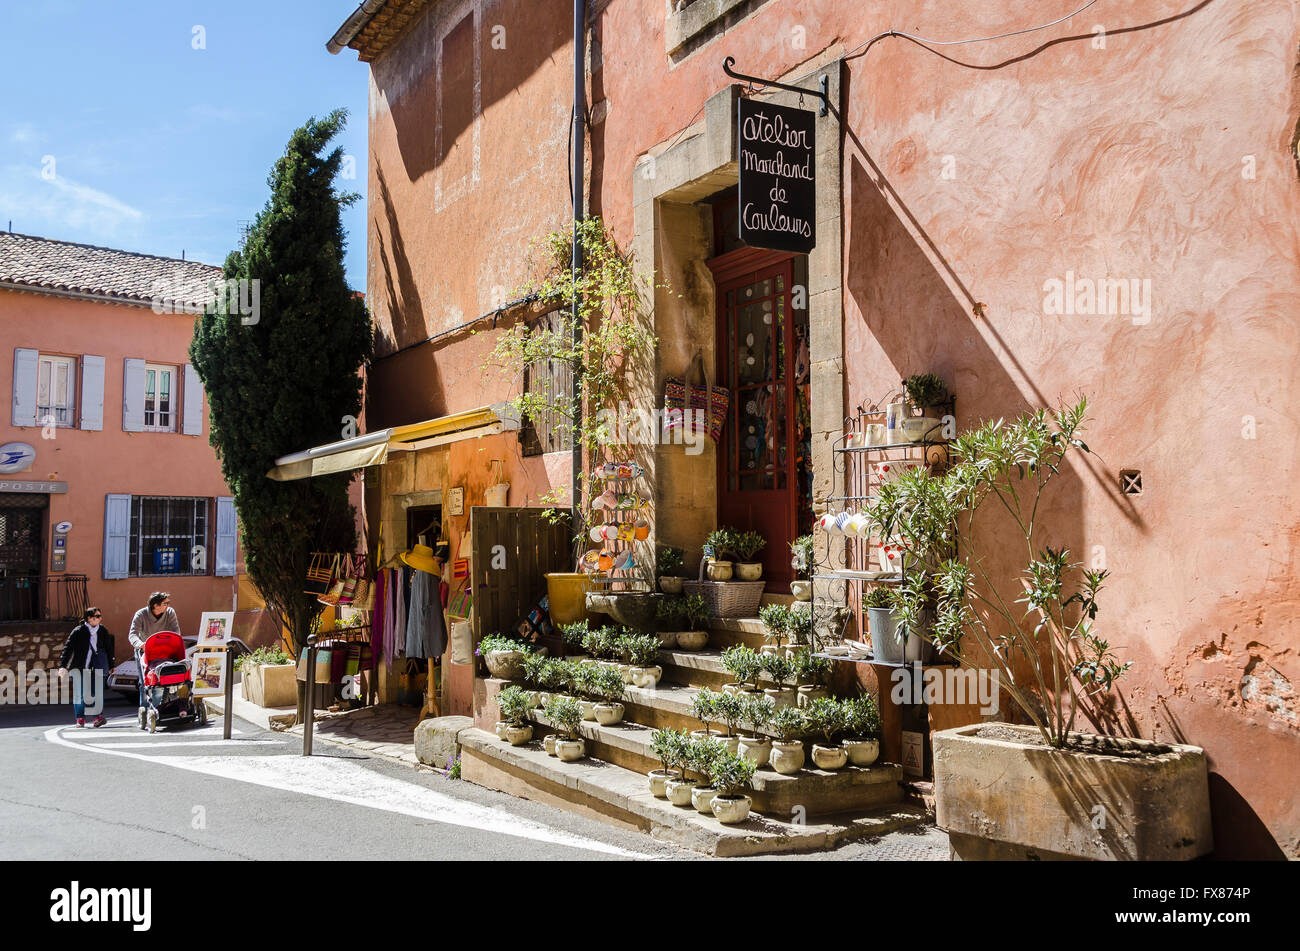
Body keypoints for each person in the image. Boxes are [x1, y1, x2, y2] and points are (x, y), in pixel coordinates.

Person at [58, 607, 115, 727]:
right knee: (80, 694)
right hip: (78, 667)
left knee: (97, 693)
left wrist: (111, 665)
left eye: (100, 616)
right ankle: (80, 718)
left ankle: (97, 717)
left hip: (97, 667)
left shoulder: (102, 631)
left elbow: (109, 649)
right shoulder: (78, 631)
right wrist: (63, 666)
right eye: (97, 616)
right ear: (89, 618)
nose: (100, 618)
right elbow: (67, 649)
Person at [128, 592, 181, 713]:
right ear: (155, 606)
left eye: (168, 603)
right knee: (145, 682)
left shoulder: (170, 612)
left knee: (164, 679)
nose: (168, 605)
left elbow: (175, 630)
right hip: (145, 651)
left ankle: (163, 708)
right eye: (165, 603)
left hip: (163, 651)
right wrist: (140, 644)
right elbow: (132, 634)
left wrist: (174, 643)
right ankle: (145, 710)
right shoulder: (141, 614)